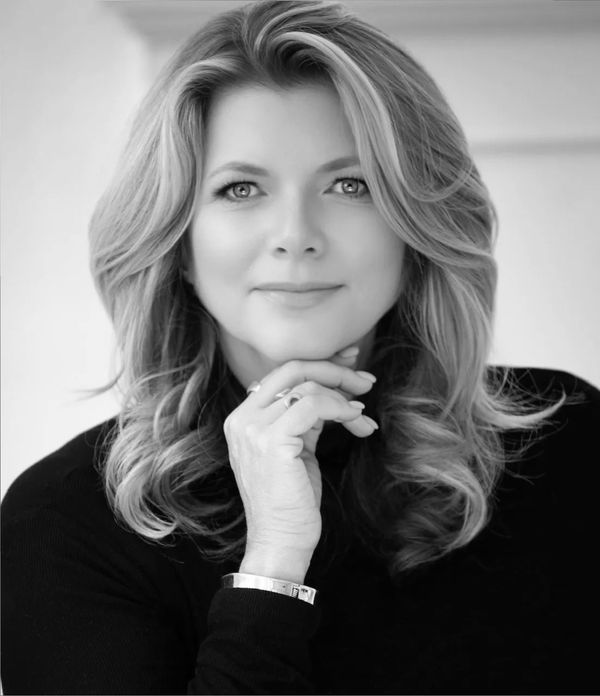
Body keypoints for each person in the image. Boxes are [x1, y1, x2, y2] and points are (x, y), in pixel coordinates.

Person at [2, 0, 599, 693]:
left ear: (416, 225)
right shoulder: (65, 522)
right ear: (179, 244)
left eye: (350, 184)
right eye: (240, 188)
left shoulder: (569, 440)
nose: (295, 235)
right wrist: (274, 564)